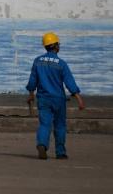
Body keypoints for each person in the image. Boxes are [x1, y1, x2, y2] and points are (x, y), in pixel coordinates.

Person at [26, 31, 85, 160]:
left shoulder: (37, 61)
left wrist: (31, 94)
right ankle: (60, 152)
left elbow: (32, 81)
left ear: (46, 46)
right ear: (56, 46)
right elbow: (70, 83)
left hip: (43, 99)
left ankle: (42, 144)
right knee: (60, 126)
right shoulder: (61, 64)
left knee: (44, 124)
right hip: (58, 99)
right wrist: (79, 99)